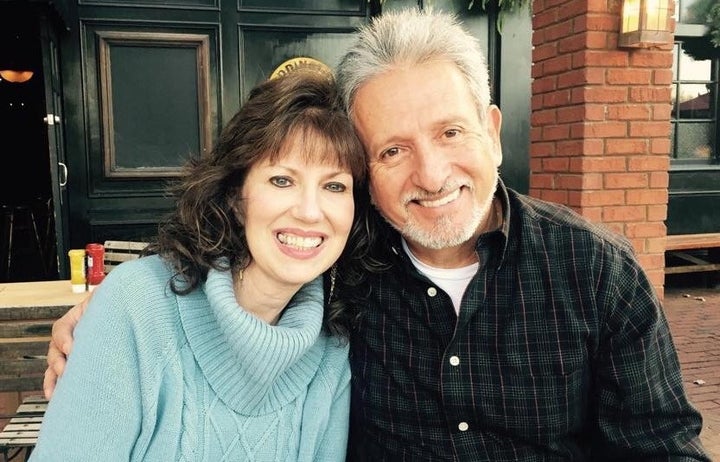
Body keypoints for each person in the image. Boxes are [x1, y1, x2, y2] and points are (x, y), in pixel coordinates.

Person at [44, 8, 710, 461]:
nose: (431, 172)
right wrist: (112, 309)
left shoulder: (595, 273)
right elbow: (244, 264)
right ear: (369, 178)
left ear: (493, 130)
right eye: (391, 151)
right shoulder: (346, 274)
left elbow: (663, 447)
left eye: (450, 132)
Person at [30, 69, 370, 461]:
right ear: (235, 197)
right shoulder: (136, 307)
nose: (311, 212)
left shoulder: (332, 346)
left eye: (334, 186)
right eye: (281, 180)